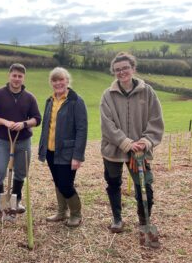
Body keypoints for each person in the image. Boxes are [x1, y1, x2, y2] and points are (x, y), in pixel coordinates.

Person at [100, 52, 164, 233]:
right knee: (113, 183)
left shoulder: (148, 92)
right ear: (114, 72)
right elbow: (107, 124)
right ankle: (117, 219)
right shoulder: (107, 95)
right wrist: (126, 143)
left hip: (140, 150)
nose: (122, 72)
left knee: (144, 186)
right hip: (113, 149)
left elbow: (155, 119)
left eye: (125, 68)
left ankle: (144, 221)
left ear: (133, 69)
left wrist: (146, 141)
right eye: (117, 70)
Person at [0, 63, 41, 218]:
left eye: (20, 76)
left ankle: (15, 204)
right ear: (9, 76)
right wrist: (5, 122)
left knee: (21, 173)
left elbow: (37, 119)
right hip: (3, 140)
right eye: (14, 75)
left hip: (23, 141)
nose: (16, 79)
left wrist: (24, 124)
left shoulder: (29, 97)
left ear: (23, 78)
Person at [38, 67, 88, 227]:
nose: (58, 83)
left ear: (67, 81)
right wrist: (43, 149)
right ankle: (61, 212)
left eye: (61, 79)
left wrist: (77, 156)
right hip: (51, 151)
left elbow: (82, 129)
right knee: (58, 182)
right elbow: (47, 126)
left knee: (66, 184)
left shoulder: (76, 101)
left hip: (68, 152)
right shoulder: (49, 101)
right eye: (55, 80)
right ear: (51, 83)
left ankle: (76, 214)